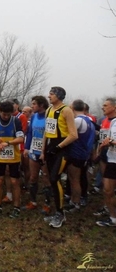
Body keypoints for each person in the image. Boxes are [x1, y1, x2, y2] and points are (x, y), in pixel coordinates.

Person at [41, 86, 78, 228]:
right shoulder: (49, 110)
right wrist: (43, 150)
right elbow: (46, 131)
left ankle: (60, 214)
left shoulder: (66, 110)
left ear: (58, 95)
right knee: (52, 179)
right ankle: (57, 211)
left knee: (54, 179)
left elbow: (74, 135)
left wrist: (58, 147)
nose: (48, 96)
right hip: (51, 148)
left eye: (51, 94)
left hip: (62, 150)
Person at [0, 100, 24, 219]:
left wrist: (7, 143)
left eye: (9, 114)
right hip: (0, 156)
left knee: (14, 181)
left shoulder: (16, 121)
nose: (7, 117)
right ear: (0, 111)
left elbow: (20, 138)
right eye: (4, 114)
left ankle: (16, 207)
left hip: (14, 156)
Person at [63, 99, 95, 213]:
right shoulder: (88, 120)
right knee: (75, 179)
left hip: (76, 154)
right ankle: (74, 200)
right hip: (83, 154)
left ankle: (75, 203)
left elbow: (67, 135)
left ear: (73, 108)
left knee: (74, 179)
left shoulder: (78, 121)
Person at [23, 96, 51, 214]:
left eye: (34, 104)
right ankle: (33, 202)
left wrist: (46, 151)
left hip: (45, 152)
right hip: (34, 150)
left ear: (41, 105)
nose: (32, 106)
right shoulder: (34, 116)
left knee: (46, 178)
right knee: (33, 177)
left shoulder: (49, 116)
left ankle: (47, 203)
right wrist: (26, 148)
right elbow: (30, 133)